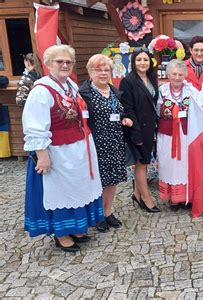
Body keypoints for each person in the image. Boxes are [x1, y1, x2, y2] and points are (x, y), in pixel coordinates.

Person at [22, 45, 103, 252]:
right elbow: (35, 126)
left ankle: (76, 227)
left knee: (76, 188)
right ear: (48, 64)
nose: (65, 65)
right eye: (60, 61)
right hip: (57, 151)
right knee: (61, 192)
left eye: (68, 62)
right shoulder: (41, 91)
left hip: (77, 148)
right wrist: (42, 155)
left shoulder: (70, 86)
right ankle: (61, 233)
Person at [79, 54, 133, 231]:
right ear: (90, 72)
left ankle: (108, 212)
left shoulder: (114, 91)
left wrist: (125, 119)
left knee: (113, 180)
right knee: (99, 181)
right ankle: (97, 215)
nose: (103, 73)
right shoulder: (84, 93)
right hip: (97, 143)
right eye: (98, 69)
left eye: (106, 69)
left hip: (115, 141)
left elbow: (119, 111)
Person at [156, 59, 203, 211]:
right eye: (174, 74)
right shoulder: (161, 91)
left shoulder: (192, 91)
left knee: (186, 165)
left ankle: (187, 196)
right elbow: (155, 111)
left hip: (186, 135)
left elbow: (201, 110)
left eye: (180, 74)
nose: (177, 77)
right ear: (168, 75)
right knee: (169, 165)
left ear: (185, 75)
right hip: (167, 135)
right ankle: (174, 198)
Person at [119, 48, 160, 213]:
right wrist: (136, 134)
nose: (142, 63)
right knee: (141, 164)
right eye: (139, 60)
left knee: (144, 162)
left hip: (149, 127)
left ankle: (137, 194)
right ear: (133, 62)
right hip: (136, 129)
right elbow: (127, 108)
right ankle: (146, 198)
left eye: (145, 60)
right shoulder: (127, 81)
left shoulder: (150, 78)